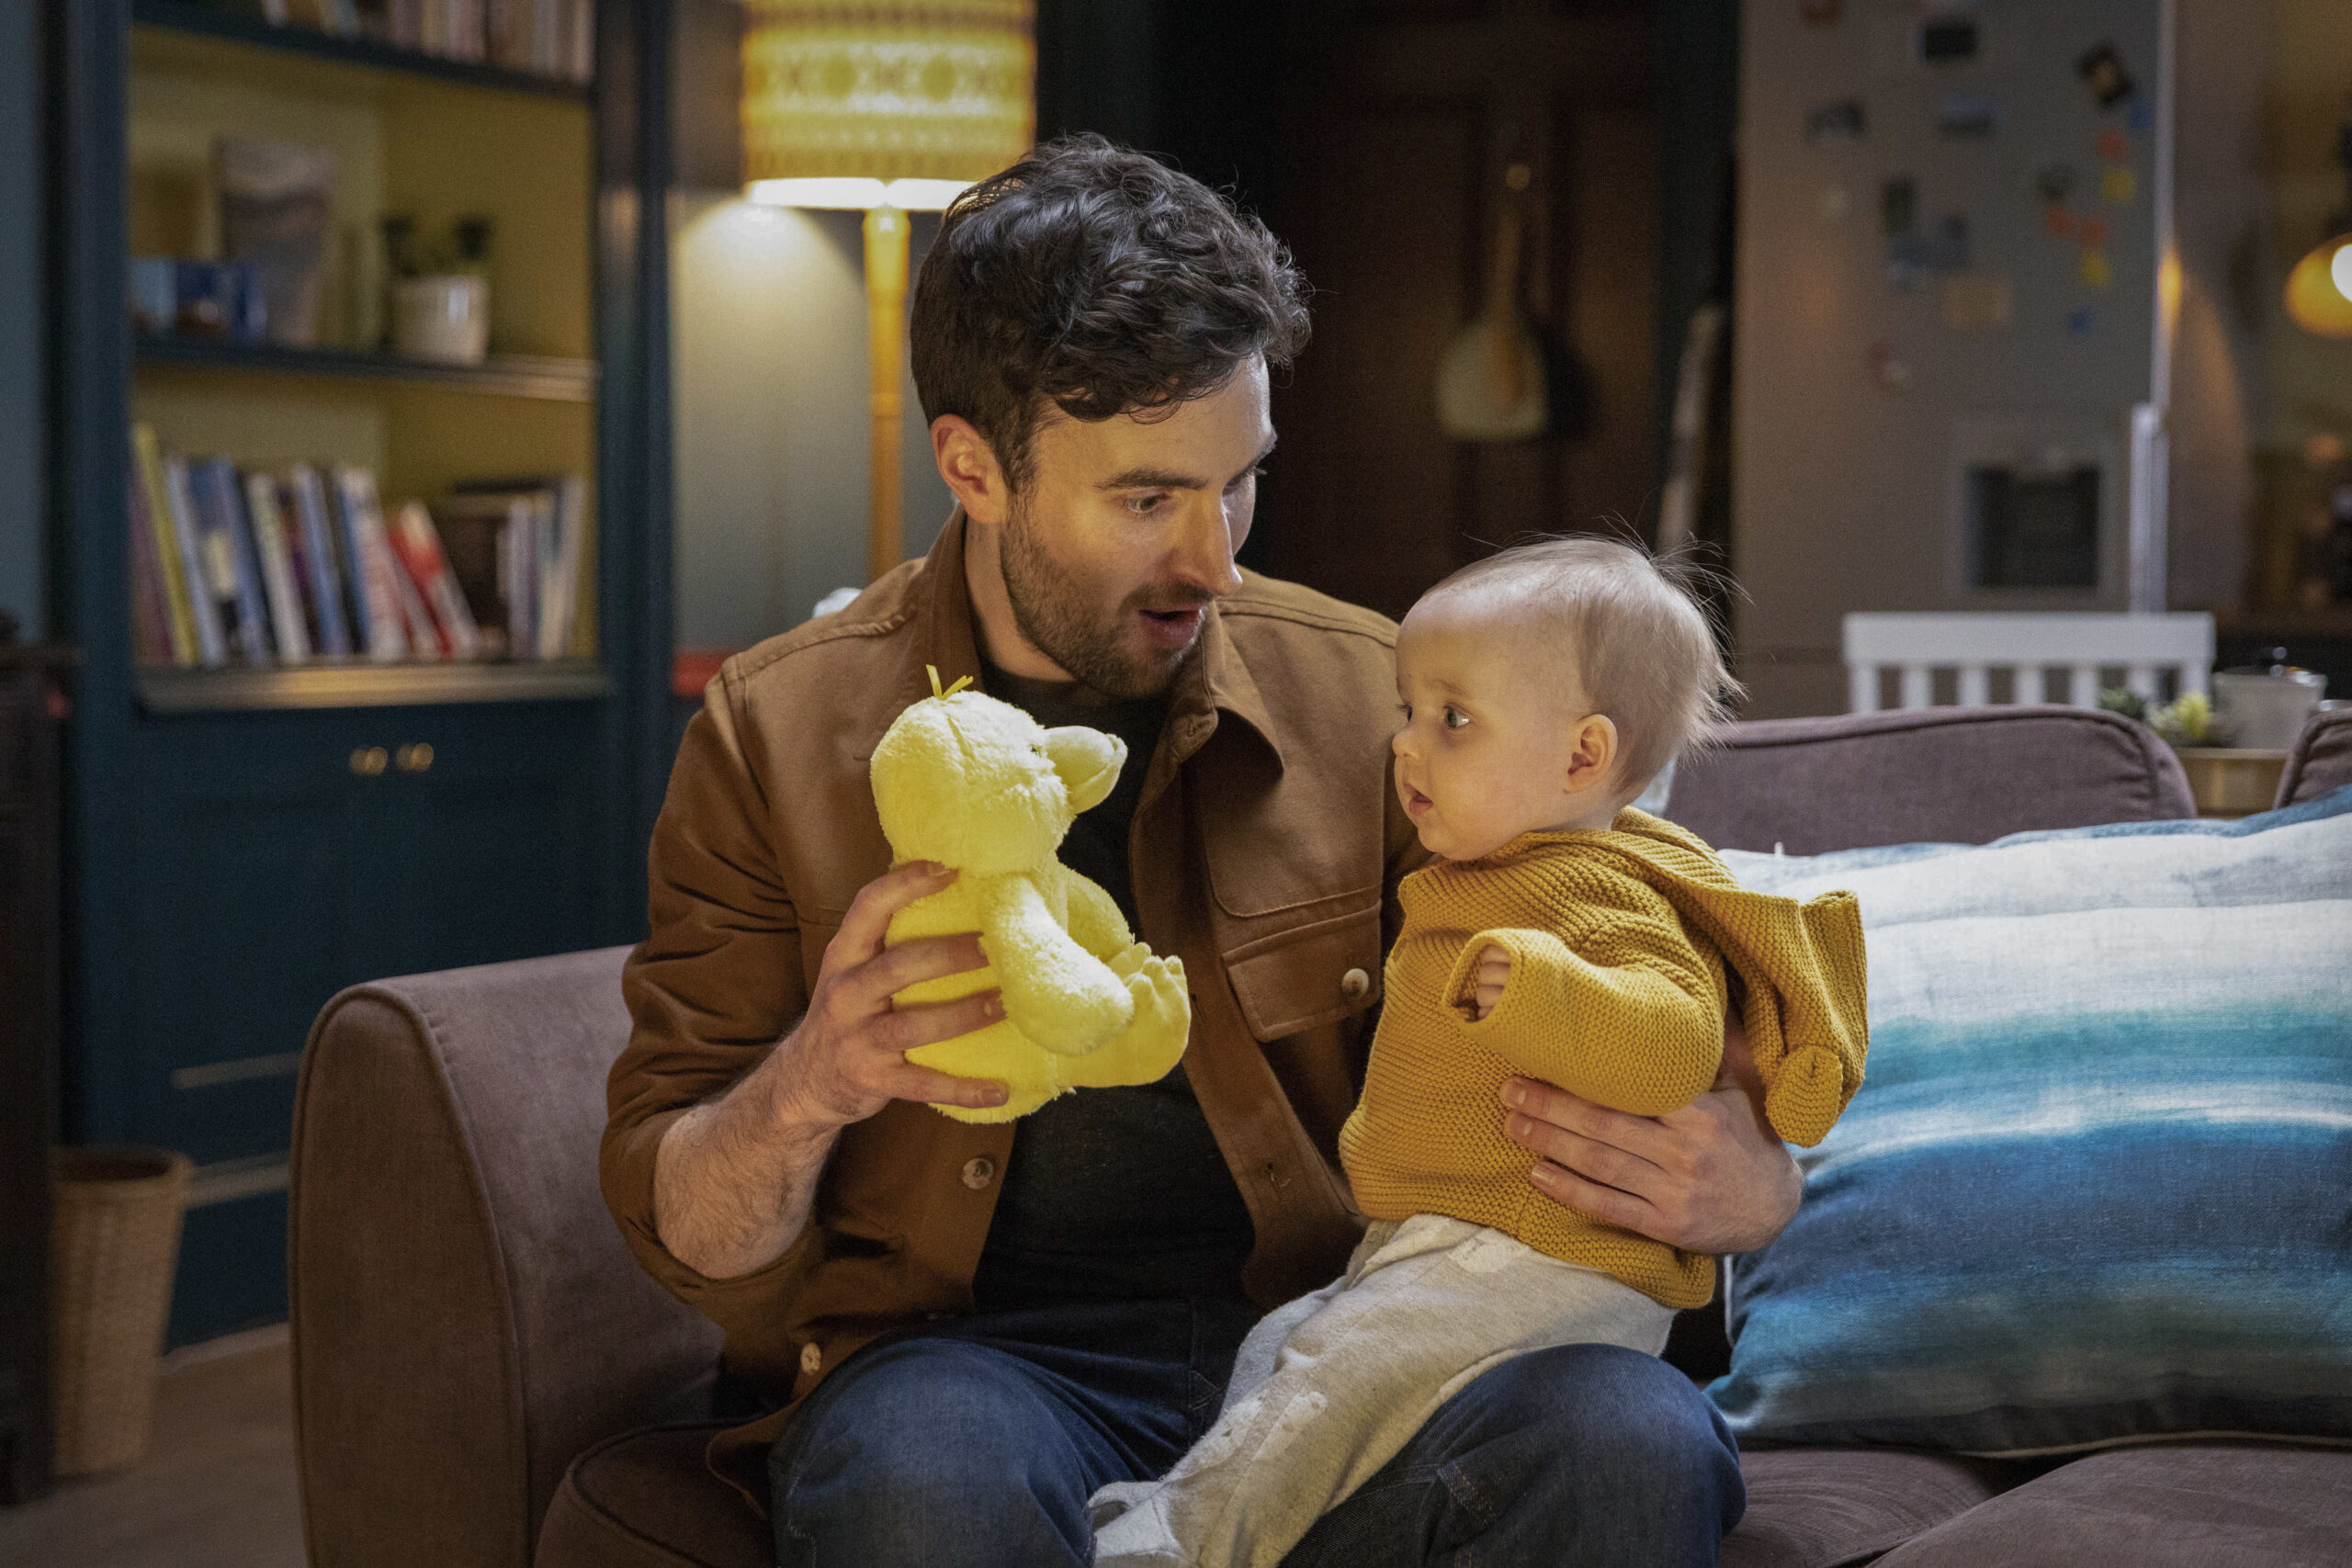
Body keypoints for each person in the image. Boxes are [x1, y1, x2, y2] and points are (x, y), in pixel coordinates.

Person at [599, 134, 1799, 1568]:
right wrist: (814, 1081)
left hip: (1352, 1342)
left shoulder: (1385, 701)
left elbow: (1651, 965)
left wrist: (1751, 1191)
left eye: (1240, 483)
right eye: (1149, 497)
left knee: (1631, 1441)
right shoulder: (774, 731)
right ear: (972, 466)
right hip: (981, 1367)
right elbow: (689, 1224)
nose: (1219, 560)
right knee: (920, 1479)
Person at [1089, 539, 1870, 1567]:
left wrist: (1542, 990)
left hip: (1534, 1260)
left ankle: (1171, 1545)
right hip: (1455, 1246)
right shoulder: (1501, 863)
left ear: (1582, 758)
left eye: (1452, 720)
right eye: (1408, 712)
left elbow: (1675, 1041)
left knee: (1340, 1376)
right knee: (1291, 1352)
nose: (1408, 747)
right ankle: (1215, 1501)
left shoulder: (1594, 886)